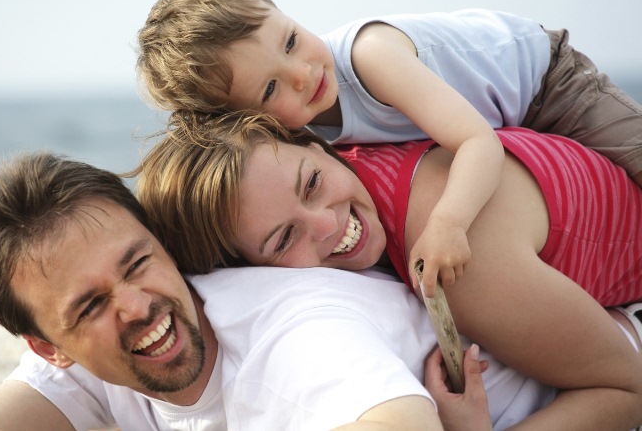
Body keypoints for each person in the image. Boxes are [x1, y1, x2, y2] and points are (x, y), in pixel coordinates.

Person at [0, 151, 568, 431]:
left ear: (161, 244)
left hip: (568, 382)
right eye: (90, 305)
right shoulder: (96, 359)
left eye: (138, 261)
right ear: (49, 345)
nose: (136, 303)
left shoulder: (296, 332)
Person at [137, 0, 642, 298]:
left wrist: (447, 222)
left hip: (545, 80)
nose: (300, 73)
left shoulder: (370, 59)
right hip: (497, 116)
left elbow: (477, 144)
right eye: (270, 87)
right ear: (248, 121)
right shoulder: (303, 130)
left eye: (290, 40)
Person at [134, 110, 642, 430]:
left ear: (315, 146)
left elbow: (628, 389)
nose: (327, 223)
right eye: (284, 238)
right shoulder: (358, 160)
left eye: (311, 184)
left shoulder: (459, 260)